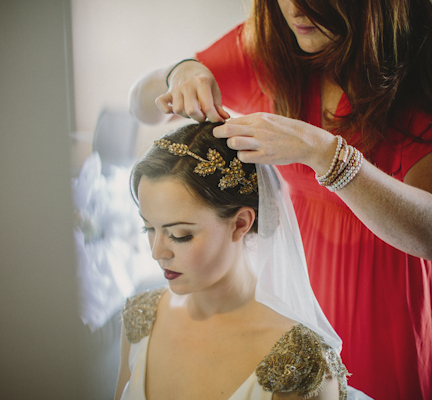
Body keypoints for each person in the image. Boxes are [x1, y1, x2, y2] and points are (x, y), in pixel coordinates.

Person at [128, 1, 432, 399]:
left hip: (387, 298)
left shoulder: (418, 61)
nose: (294, 9)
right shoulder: (266, 46)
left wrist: (326, 154)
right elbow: (141, 105)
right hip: (294, 271)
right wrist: (180, 71)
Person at [114, 121, 363, 400]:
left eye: (179, 235)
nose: (157, 252)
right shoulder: (140, 318)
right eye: (148, 228)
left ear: (240, 223)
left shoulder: (298, 364)